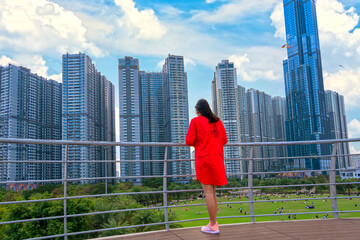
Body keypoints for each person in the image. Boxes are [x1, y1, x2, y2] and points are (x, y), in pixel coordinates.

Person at [186, 99, 227, 234]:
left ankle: (213, 225)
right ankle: (213, 222)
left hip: (204, 159)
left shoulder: (195, 121)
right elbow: (224, 140)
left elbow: (189, 141)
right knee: (213, 192)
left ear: (198, 111)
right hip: (217, 159)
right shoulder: (218, 122)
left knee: (208, 192)